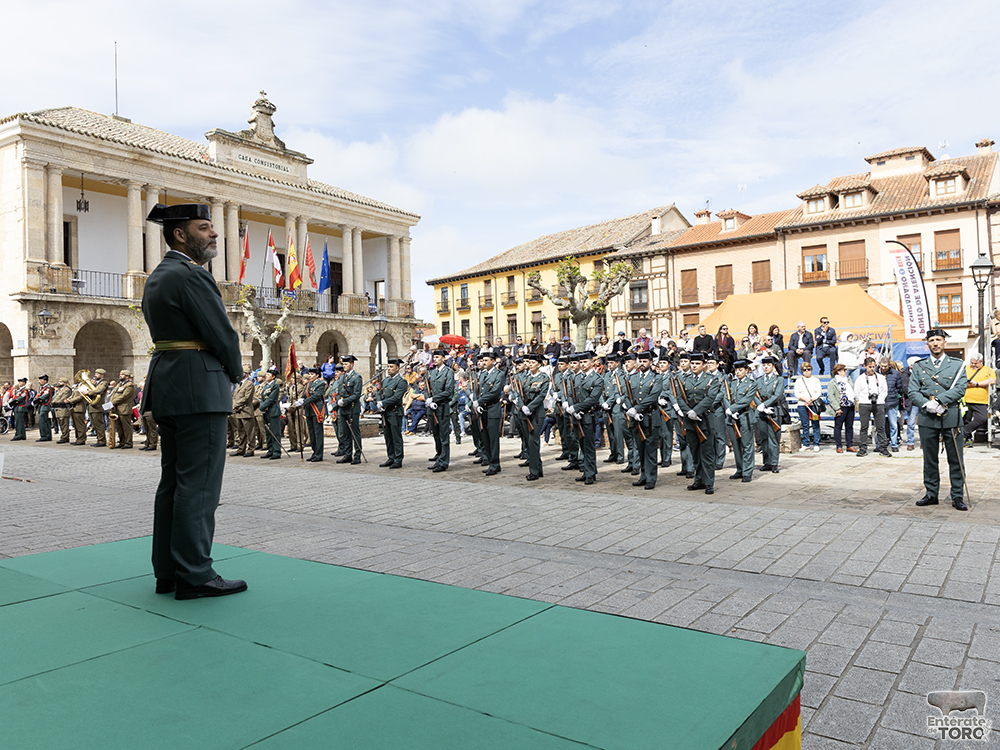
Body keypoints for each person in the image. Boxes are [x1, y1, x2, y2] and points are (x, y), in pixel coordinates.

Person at [142, 202, 245, 600]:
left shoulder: (159, 276)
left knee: (174, 483)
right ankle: (195, 574)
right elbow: (222, 335)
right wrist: (234, 374)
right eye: (205, 228)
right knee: (199, 487)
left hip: (169, 384)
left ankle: (168, 571)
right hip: (199, 389)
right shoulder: (191, 276)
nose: (214, 234)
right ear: (181, 235)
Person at [909, 329, 968, 510]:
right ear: (927, 344)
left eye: (938, 340)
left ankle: (957, 495)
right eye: (932, 340)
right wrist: (927, 405)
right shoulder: (919, 366)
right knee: (929, 458)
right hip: (928, 417)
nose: (935, 343)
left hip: (951, 416)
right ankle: (931, 493)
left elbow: (960, 388)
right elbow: (912, 391)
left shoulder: (957, 365)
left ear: (945, 343)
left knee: (956, 458)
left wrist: (941, 400)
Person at [625, 351, 662, 490]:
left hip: (650, 417)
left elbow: (653, 396)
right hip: (636, 418)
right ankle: (643, 475)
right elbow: (626, 395)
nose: (642, 364)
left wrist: (638, 409)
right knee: (640, 450)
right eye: (640, 361)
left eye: (645, 361)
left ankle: (651, 478)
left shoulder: (656, 378)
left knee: (650, 450)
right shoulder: (632, 378)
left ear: (651, 362)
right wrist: (631, 410)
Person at [566, 352, 603, 485]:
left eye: (585, 362)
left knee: (589, 446)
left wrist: (577, 408)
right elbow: (570, 393)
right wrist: (572, 408)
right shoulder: (576, 378)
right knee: (582, 445)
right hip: (577, 416)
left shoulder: (597, 379)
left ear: (591, 363)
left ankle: (590, 473)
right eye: (581, 362)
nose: (582, 365)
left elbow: (593, 399)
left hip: (588, 416)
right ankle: (588, 470)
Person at [724, 359, 756, 482]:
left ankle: (747, 471)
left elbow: (747, 400)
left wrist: (733, 408)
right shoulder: (731, 383)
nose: (738, 372)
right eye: (736, 370)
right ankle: (740, 469)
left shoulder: (751, 384)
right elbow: (725, 396)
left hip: (745, 416)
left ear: (746, 370)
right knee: (736, 446)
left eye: (740, 370)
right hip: (731, 417)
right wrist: (729, 410)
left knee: (747, 445)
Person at [474, 350, 504, 475]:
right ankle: (490, 461)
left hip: (493, 409)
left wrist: (479, 401)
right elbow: (478, 390)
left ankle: (495, 463)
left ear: (493, 361)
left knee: (493, 439)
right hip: (483, 410)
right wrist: (478, 403)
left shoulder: (499, 374)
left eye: (486, 360)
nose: (484, 362)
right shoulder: (482, 374)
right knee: (485, 438)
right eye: (483, 360)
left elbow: (495, 392)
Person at [426, 349, 456, 472]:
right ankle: (438, 457)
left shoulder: (448, 372)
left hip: (442, 407)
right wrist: (428, 399)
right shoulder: (431, 372)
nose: (435, 359)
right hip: (432, 408)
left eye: (438, 357)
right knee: (436, 435)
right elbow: (426, 388)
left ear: (444, 358)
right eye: (435, 357)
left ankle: (443, 462)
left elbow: (449, 390)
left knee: (444, 436)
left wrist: (434, 399)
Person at [854, 357, 889, 458]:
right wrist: (864, 399)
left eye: (873, 367)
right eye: (870, 367)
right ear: (865, 366)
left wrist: (879, 399)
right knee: (864, 427)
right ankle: (863, 448)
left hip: (879, 403)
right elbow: (857, 392)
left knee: (880, 427)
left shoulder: (880, 377)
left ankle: (883, 448)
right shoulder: (860, 378)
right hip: (865, 403)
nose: (872, 369)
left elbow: (884, 391)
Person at [755, 356, 783, 473]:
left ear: (773, 366)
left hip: (773, 410)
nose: (766, 367)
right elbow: (755, 394)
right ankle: (767, 462)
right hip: (762, 412)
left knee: (774, 438)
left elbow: (777, 395)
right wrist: (760, 406)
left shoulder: (779, 379)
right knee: (764, 438)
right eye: (764, 365)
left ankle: (774, 462)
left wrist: (765, 405)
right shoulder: (759, 380)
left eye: (768, 365)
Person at [377, 358, 407, 468]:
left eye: (391, 367)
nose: (389, 369)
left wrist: (383, 403)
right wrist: (379, 402)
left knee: (396, 436)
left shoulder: (401, 381)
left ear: (397, 368)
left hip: (394, 411)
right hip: (385, 412)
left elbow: (397, 397)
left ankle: (398, 459)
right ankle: (391, 457)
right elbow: (379, 392)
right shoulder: (385, 380)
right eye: (388, 367)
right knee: (388, 436)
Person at [962, 353, 995, 445]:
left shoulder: (987, 370)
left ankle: (964, 432)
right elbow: (960, 381)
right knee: (965, 420)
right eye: (972, 363)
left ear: (981, 362)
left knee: (982, 418)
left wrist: (977, 384)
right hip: (965, 400)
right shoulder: (965, 368)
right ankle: (967, 439)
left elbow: (992, 380)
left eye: (975, 363)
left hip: (981, 401)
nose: (973, 365)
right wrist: (969, 383)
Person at [336, 355, 363, 463]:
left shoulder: (357, 377)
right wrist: (338, 400)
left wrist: (345, 401)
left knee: (354, 432)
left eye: (346, 364)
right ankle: (348, 454)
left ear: (352, 364)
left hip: (352, 408)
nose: (344, 366)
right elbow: (339, 391)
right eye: (343, 364)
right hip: (343, 409)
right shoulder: (342, 377)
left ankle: (357, 455)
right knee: (345, 433)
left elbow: (356, 394)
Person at [826, 364, 856, 453]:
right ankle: (839, 446)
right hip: (841, 406)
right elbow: (831, 396)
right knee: (838, 426)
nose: (846, 371)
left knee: (849, 426)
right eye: (844, 370)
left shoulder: (849, 380)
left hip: (850, 405)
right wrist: (837, 408)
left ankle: (849, 445)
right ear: (838, 371)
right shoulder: (833, 382)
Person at [794, 363, 822, 452]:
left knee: (815, 424)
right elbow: (796, 393)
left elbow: (818, 392)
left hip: (813, 405)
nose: (807, 371)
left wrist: (811, 399)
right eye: (804, 370)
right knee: (805, 424)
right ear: (802, 371)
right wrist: (805, 399)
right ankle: (806, 443)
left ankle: (816, 443)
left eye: (808, 369)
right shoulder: (799, 381)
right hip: (802, 405)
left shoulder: (816, 380)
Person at [302, 367, 327, 462]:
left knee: (318, 433)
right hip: (309, 410)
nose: (310, 376)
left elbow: (316, 395)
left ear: (317, 375)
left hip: (317, 410)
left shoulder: (320, 384)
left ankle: (319, 454)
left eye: (312, 374)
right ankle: (314, 452)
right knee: (311, 433)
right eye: (309, 374)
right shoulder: (308, 384)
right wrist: (301, 399)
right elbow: (305, 394)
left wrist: (304, 402)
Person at [230, 365, 256, 457]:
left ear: (246, 374)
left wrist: (236, 405)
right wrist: (233, 405)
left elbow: (247, 398)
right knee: (240, 432)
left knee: (250, 432)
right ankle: (241, 449)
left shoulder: (249, 384)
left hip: (246, 411)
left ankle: (251, 449)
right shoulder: (239, 384)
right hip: (238, 412)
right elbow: (234, 396)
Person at [109, 370, 137, 449]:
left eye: (122, 375)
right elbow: (114, 394)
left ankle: (128, 443)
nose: (120, 376)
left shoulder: (130, 385)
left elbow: (124, 396)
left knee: (126, 427)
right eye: (120, 374)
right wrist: (110, 402)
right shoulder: (119, 384)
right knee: (119, 427)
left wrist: (112, 403)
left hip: (124, 408)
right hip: (117, 409)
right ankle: (122, 442)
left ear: (127, 376)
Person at [881, 357, 904, 452]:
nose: (883, 368)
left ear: (889, 365)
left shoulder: (895, 374)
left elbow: (899, 387)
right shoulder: (877, 374)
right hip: (880, 402)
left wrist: (894, 394)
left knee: (893, 424)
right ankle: (880, 445)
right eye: (881, 366)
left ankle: (894, 444)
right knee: (880, 425)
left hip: (892, 401)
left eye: (885, 366)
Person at [258, 369, 282, 459]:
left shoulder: (275, 385)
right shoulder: (265, 386)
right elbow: (262, 398)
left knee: (275, 432)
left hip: (273, 410)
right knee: (268, 432)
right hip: (266, 410)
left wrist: (262, 407)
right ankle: (270, 450)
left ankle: (276, 451)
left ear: (273, 376)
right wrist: (262, 407)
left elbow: (271, 398)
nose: (266, 375)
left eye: (268, 374)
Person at [87, 369, 110, 446]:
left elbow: (99, 390)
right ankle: (98, 439)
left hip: (98, 406)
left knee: (99, 424)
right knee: (95, 425)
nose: (95, 375)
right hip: (92, 406)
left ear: (102, 375)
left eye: (97, 374)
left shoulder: (104, 383)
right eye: (95, 373)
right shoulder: (95, 383)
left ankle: (102, 440)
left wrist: (89, 392)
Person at [33, 375, 55, 442]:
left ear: (45, 381)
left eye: (40, 380)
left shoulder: (47, 388)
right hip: (42, 406)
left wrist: (35, 401)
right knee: (46, 422)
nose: (39, 382)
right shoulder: (42, 388)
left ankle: (44, 436)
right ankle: (48, 436)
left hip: (45, 406)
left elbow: (44, 396)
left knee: (42, 421)